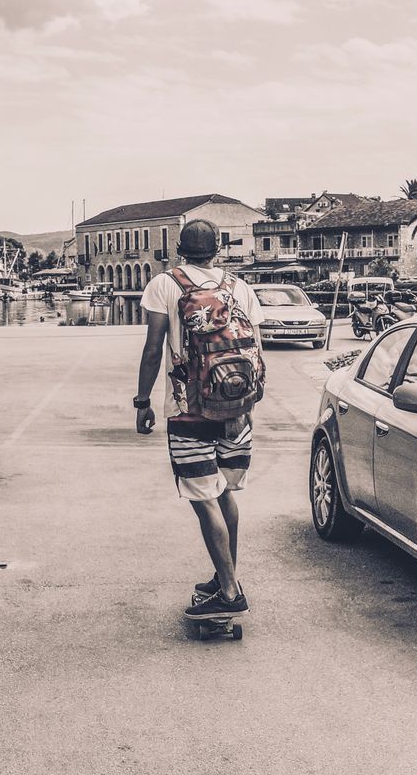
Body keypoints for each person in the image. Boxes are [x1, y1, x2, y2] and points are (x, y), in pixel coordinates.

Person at [134, 219, 266, 622]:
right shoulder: (239, 286)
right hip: (236, 405)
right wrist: (246, 405)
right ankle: (226, 576)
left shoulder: (164, 284)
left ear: (180, 248)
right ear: (217, 250)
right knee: (225, 491)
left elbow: (153, 349)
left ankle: (228, 591)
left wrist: (142, 401)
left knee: (203, 496)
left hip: (187, 408)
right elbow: (256, 349)